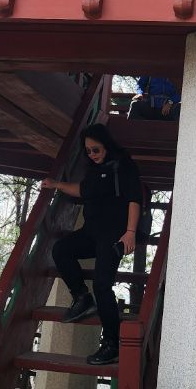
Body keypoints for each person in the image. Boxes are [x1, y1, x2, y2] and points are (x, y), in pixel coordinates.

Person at [42, 124, 143, 367]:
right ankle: (82, 298)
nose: (92, 155)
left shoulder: (124, 165)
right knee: (61, 250)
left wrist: (130, 233)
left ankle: (112, 344)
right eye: (88, 151)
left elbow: (134, 199)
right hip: (91, 232)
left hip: (114, 235)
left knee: (102, 285)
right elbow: (82, 190)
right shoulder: (94, 170)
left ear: (106, 145)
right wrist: (56, 184)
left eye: (95, 149)